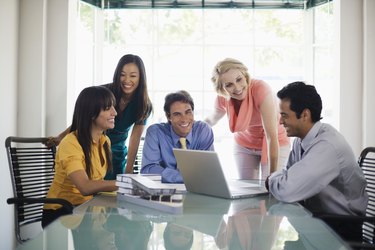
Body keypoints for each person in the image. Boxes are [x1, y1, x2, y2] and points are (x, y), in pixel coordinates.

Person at [266, 81, 368, 241]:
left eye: (284, 115)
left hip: (340, 229)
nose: (280, 122)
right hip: (316, 222)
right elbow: (288, 178)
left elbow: (287, 190)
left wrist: (270, 179)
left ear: (305, 115)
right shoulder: (301, 140)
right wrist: (280, 180)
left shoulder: (327, 146)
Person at [46, 54, 153, 179]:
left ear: (141, 78)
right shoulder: (104, 93)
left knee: (113, 192)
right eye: (122, 74)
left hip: (116, 153)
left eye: (133, 76)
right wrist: (60, 137)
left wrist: (128, 171)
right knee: (90, 188)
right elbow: (83, 119)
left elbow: (135, 138)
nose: (126, 80)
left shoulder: (143, 104)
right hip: (91, 146)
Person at [42, 86, 119, 228]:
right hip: (62, 214)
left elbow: (97, 182)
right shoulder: (70, 143)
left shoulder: (105, 141)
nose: (114, 112)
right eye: (108, 108)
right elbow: (85, 186)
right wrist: (124, 184)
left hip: (86, 210)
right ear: (91, 113)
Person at [205, 58, 289, 180]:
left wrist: (272, 178)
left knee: (270, 188)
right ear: (222, 89)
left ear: (245, 75)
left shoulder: (261, 89)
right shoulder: (222, 98)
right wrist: (192, 128)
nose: (237, 88)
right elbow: (212, 119)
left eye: (239, 80)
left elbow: (272, 136)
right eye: (229, 85)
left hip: (275, 142)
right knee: (247, 188)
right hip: (245, 144)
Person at [141, 90, 214, 183]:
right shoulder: (155, 133)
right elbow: (148, 169)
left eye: (188, 112)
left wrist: (166, 174)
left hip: (198, 189)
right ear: (169, 117)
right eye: (177, 114)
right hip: (165, 191)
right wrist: (182, 178)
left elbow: (208, 169)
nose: (184, 119)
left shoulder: (203, 130)